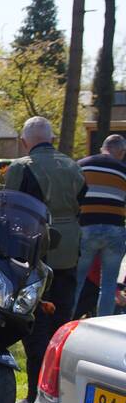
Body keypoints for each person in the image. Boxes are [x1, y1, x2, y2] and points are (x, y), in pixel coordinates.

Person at [5, 116, 86, 403]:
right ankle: (60, 393)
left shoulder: (23, 167)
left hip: (37, 251)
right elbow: (82, 201)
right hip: (69, 252)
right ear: (50, 138)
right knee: (62, 322)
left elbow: (10, 210)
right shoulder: (73, 166)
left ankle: (36, 393)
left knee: (35, 323)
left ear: (26, 140)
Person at [73, 134, 126, 318]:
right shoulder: (123, 170)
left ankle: (65, 324)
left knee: (77, 281)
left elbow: (73, 197)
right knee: (109, 284)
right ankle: (103, 325)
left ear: (103, 147)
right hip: (114, 229)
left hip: (86, 227)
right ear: (121, 152)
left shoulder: (82, 165)